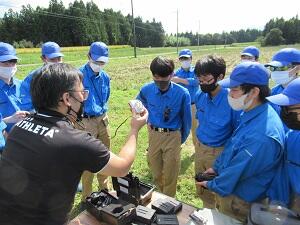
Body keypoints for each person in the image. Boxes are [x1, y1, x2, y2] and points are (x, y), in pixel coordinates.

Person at [0, 63, 148, 225]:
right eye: (82, 93)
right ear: (66, 98)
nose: (84, 98)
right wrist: (134, 129)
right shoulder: (75, 141)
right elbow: (122, 167)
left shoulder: (18, 128)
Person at [196, 62, 285, 222]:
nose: (229, 94)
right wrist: (216, 168)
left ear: (254, 92)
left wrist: (212, 185)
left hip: (240, 201)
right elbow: (233, 145)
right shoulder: (252, 112)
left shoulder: (262, 134)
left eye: (234, 90)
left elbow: (238, 170)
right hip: (234, 189)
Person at [137, 56, 192, 197]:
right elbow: (139, 102)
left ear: (172, 74)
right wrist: (144, 113)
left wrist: (179, 139)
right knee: (155, 171)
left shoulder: (182, 94)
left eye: (164, 77)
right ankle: (161, 196)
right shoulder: (147, 89)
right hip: (154, 134)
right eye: (156, 77)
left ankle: (168, 202)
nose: (160, 81)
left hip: (173, 135)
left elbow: (187, 121)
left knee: (170, 174)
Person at [193, 55, 240, 209]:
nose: (202, 83)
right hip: (200, 149)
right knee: (203, 189)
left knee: (219, 193)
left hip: (219, 153)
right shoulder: (200, 95)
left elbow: (237, 134)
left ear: (220, 76)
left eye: (206, 79)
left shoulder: (231, 100)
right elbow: (200, 121)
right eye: (199, 79)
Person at [79, 42, 111, 204]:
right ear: (89, 56)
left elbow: (106, 97)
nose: (99, 65)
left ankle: (105, 189)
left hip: (102, 119)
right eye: (97, 61)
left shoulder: (105, 77)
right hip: (86, 121)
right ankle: (87, 195)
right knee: (87, 159)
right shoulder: (78, 76)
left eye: (102, 62)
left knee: (104, 155)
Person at [266, 77, 300, 215]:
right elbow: (283, 172)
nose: (283, 112)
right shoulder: (291, 136)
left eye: (289, 108)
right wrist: (277, 201)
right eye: (283, 107)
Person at [20, 41, 64, 111]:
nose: (57, 62)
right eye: (52, 59)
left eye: (59, 58)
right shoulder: (33, 77)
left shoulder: (66, 75)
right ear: (43, 59)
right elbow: (26, 101)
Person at [0, 42, 29, 132]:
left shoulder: (24, 85)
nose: (10, 66)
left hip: (28, 138)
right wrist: (8, 120)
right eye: (5, 63)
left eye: (13, 62)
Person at [173, 49, 199, 149]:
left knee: (195, 127)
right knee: (179, 126)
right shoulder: (177, 72)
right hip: (181, 105)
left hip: (193, 105)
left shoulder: (196, 71)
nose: (184, 60)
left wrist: (180, 80)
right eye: (182, 58)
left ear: (191, 59)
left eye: (186, 58)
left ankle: (197, 147)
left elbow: (197, 82)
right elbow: (172, 82)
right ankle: (178, 144)